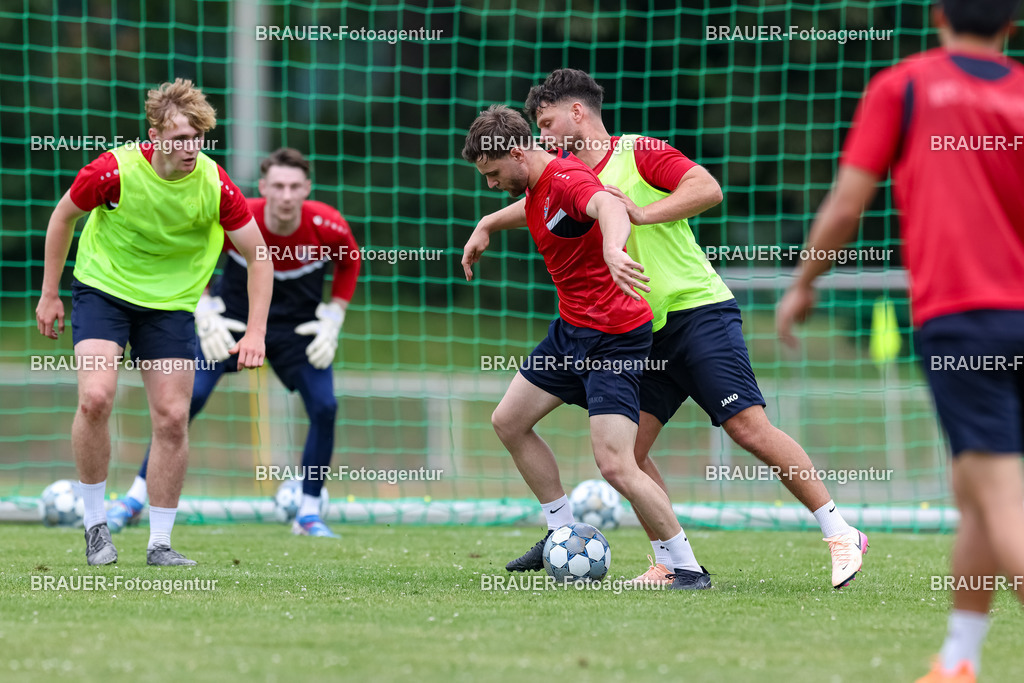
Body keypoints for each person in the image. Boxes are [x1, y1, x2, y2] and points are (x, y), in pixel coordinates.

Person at [478, 68, 867, 589]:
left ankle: (840, 531)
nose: (542, 136)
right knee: (627, 455)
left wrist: (639, 215)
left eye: (546, 123)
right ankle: (673, 561)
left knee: (746, 428)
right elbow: (538, 205)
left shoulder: (638, 151)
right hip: (640, 328)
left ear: (576, 113)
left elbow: (707, 188)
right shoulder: (562, 170)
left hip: (696, 310)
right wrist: (486, 224)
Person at [774, 0, 1024, 679]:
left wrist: (803, 284)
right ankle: (960, 659)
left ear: (939, 13)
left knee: (1000, 496)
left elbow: (849, 203)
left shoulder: (905, 85)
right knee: (974, 488)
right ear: (1013, 22)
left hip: (966, 320)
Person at [461, 104, 711, 589]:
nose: (490, 183)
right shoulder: (537, 181)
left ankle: (686, 567)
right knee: (508, 421)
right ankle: (560, 531)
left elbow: (609, 205)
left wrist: (614, 248)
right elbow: (533, 206)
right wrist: (488, 223)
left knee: (617, 463)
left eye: (493, 174)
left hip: (613, 336)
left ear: (517, 153)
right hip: (571, 329)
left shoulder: (566, 179)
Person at [35, 78, 273, 566]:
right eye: (181, 138)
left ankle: (160, 544)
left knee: (171, 417)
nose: (191, 149)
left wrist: (255, 331)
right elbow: (62, 219)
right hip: (104, 291)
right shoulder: (112, 171)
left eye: (199, 138)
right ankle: (96, 527)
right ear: (156, 135)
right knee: (96, 398)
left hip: (169, 306)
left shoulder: (214, 183)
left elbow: (259, 255)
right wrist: (49, 294)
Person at [106, 147, 361, 539]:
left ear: (307, 188)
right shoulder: (241, 216)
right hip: (230, 327)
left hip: (298, 333)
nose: (287, 195)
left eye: (295, 186)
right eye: (278, 185)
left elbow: (350, 261)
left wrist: (335, 315)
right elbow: (193, 254)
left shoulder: (328, 225)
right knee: (181, 406)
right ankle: (135, 499)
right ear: (263, 188)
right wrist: (204, 308)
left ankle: (309, 513)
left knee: (326, 406)